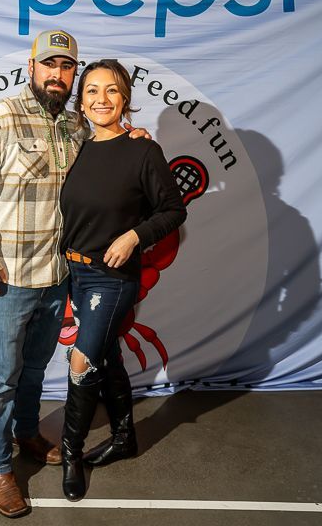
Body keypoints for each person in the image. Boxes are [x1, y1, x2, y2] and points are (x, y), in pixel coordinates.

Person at [0, 32, 148, 518]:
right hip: (11, 277)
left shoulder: (76, 127)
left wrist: (135, 137)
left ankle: (25, 435)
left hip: (61, 274)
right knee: (2, 374)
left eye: (67, 67)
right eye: (50, 65)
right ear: (32, 66)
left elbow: (109, 157)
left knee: (37, 369)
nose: (58, 75)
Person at [58, 59, 187, 501]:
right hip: (71, 272)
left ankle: (70, 454)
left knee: (82, 361)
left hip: (111, 278)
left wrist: (135, 236)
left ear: (125, 99)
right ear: (81, 100)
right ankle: (124, 437)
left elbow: (173, 210)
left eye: (111, 91)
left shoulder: (142, 150)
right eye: (91, 90)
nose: (101, 99)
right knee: (107, 355)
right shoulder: (73, 146)